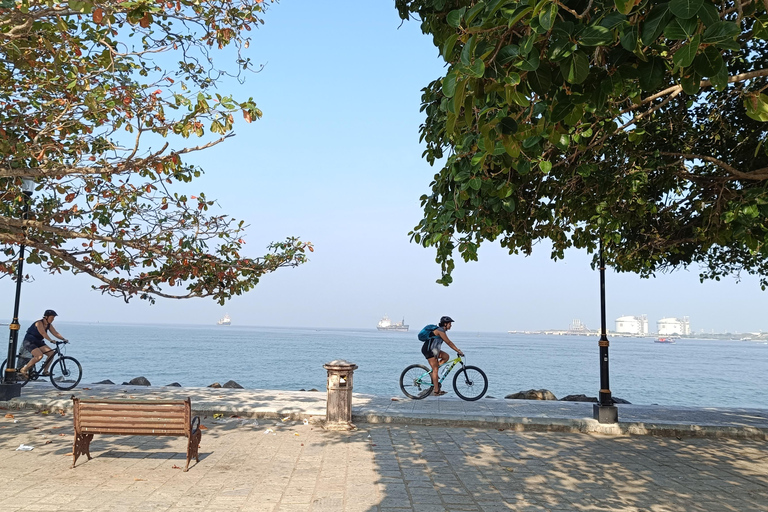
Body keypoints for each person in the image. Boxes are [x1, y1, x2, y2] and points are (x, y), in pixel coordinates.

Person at [421, 316, 464, 396]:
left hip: (434, 350)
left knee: (446, 357)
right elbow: (449, 342)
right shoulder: (440, 331)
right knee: (435, 369)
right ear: (445, 324)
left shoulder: (442, 331)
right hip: (428, 350)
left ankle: (434, 372)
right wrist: (458, 350)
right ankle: (436, 390)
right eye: (450, 324)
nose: (451, 325)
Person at [18, 310, 68, 377]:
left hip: (38, 342)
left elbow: (55, 333)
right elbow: (43, 333)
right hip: (29, 341)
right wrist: (50, 340)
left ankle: (45, 371)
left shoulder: (49, 325)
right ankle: (24, 369)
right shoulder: (39, 323)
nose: (53, 319)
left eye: (54, 318)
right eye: (52, 317)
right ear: (46, 317)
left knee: (51, 354)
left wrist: (63, 339)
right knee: (39, 356)